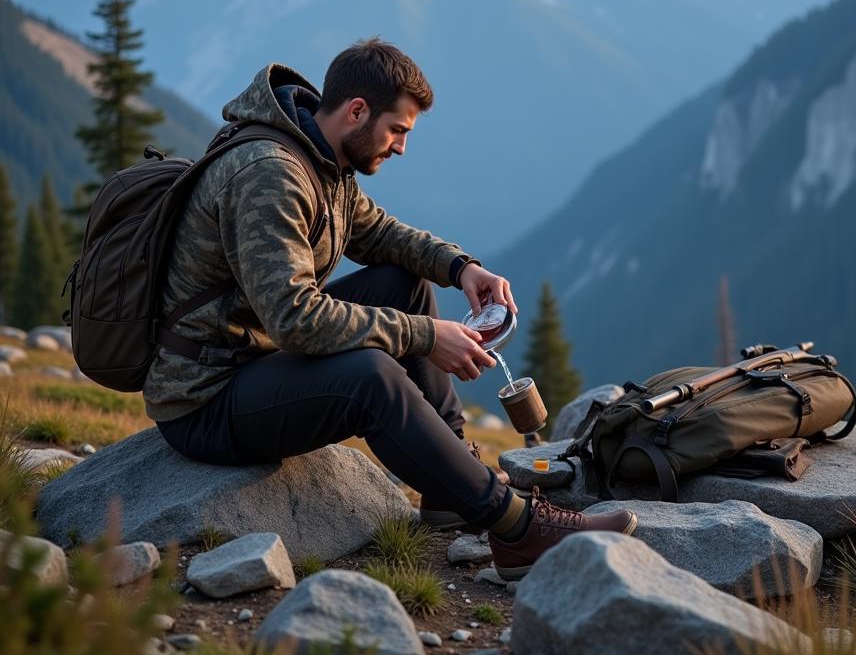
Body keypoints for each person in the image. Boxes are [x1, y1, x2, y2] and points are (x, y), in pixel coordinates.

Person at [144, 38, 635, 578]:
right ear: (357, 110)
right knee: (369, 375)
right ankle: (517, 528)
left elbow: (378, 234)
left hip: (250, 359)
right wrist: (425, 335)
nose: (401, 146)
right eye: (397, 130)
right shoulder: (270, 173)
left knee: (402, 283)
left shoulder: (319, 155)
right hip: (205, 398)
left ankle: (451, 487)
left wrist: (461, 267)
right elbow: (295, 319)